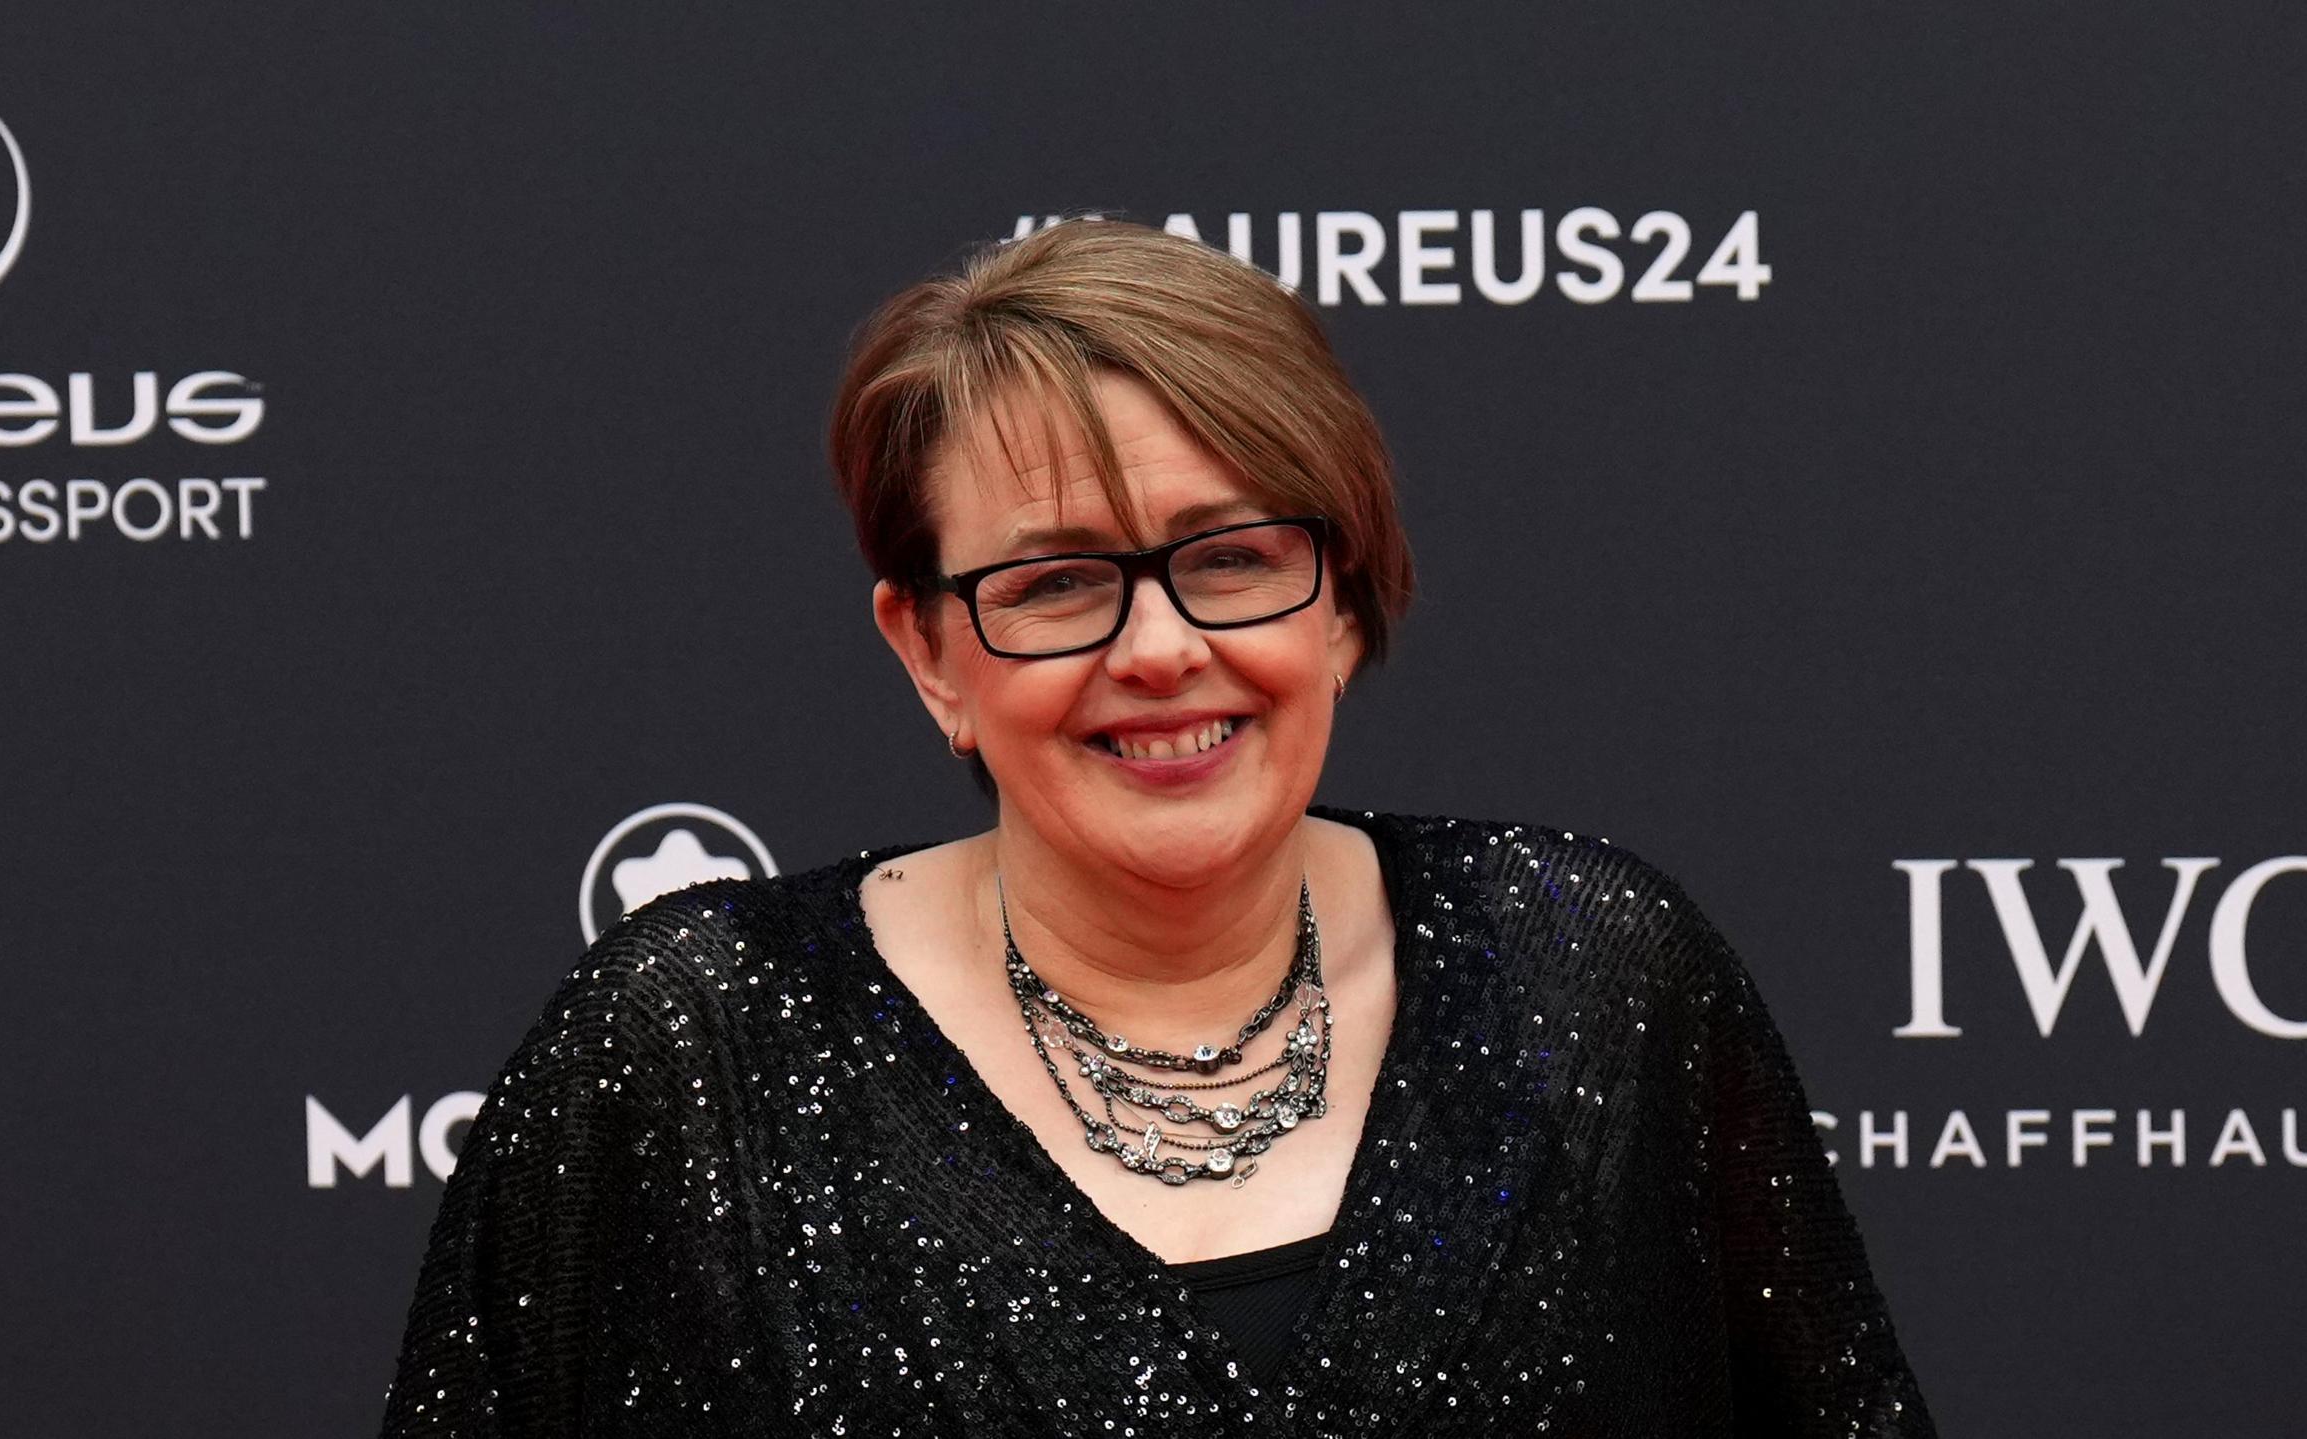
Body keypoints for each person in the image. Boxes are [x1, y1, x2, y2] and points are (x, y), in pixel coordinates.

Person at [378, 219, 1936, 1436]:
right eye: (1055, 582)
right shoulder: (691, 1050)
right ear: (928, 655)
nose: (1160, 648)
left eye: (1233, 555)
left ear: (1339, 595)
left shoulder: (1593, 982)